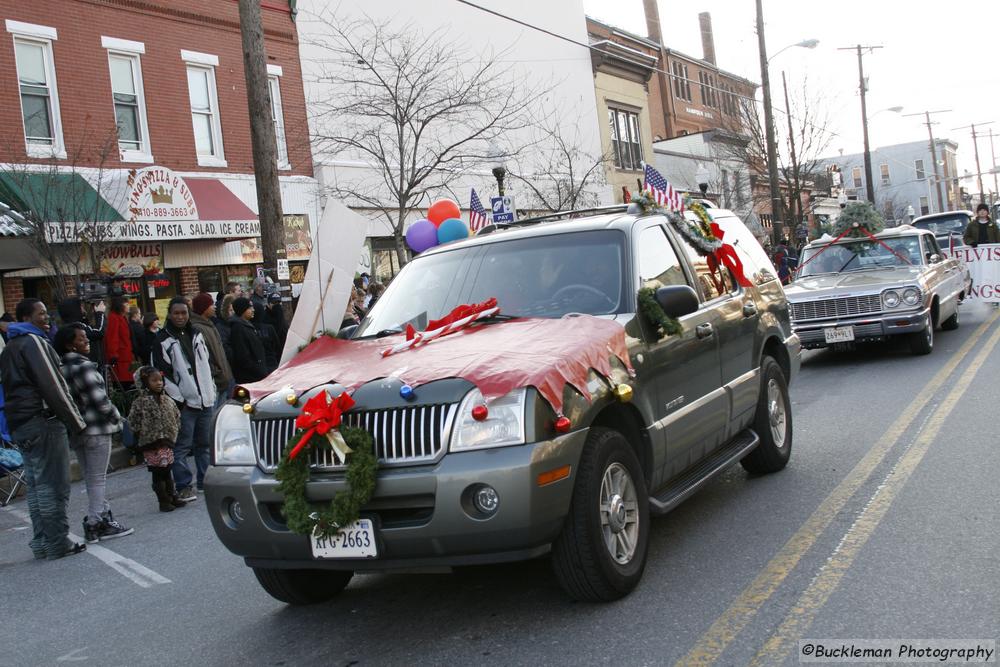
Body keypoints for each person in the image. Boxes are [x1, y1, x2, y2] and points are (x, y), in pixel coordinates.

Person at [0, 299, 88, 559]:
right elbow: (54, 387)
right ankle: (57, 542)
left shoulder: (10, 346)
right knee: (54, 485)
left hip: (21, 423)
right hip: (43, 421)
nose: (46, 317)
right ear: (26, 317)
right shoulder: (34, 342)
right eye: (41, 314)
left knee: (38, 485)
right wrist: (76, 422)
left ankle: (42, 542)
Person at [54, 324, 133, 543]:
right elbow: (100, 401)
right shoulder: (83, 367)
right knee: (98, 478)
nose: (87, 340)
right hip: (96, 428)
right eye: (81, 338)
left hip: (76, 429)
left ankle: (104, 518)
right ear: (70, 344)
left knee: (92, 477)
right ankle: (95, 522)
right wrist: (118, 418)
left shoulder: (60, 368)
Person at [152, 297, 217, 501]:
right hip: (185, 403)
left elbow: (206, 364)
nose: (180, 316)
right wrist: (180, 399)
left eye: (184, 313)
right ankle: (183, 485)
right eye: (176, 313)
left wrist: (211, 390)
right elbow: (163, 374)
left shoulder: (197, 334)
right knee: (181, 446)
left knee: (204, 444)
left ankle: (204, 481)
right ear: (169, 315)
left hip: (205, 398)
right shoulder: (162, 340)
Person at [128, 367, 185, 512]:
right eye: (154, 381)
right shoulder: (140, 402)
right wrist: (140, 434)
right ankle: (163, 500)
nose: (159, 383)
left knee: (167, 469)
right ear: (144, 383)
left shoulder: (167, 400)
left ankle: (173, 496)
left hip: (167, 440)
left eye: (160, 380)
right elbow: (133, 421)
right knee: (157, 472)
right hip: (151, 443)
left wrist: (175, 430)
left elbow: (176, 416)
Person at [190, 292, 234, 409]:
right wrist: (217, 374)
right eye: (211, 304)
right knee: (215, 417)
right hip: (215, 382)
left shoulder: (210, 324)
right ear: (203, 308)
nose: (214, 307)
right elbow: (204, 356)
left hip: (224, 378)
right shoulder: (198, 327)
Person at [56, 297, 107, 366]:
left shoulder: (64, 327)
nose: (83, 309)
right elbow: (98, 332)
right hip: (84, 364)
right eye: (81, 307)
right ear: (74, 310)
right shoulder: (77, 327)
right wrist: (100, 313)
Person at [229, 297, 269, 383]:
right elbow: (243, 356)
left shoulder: (247, 325)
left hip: (256, 374)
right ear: (242, 310)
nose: (253, 310)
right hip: (250, 377)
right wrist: (259, 371)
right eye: (250, 308)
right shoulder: (238, 328)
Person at [105, 296, 134, 389]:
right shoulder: (114, 318)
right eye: (126, 304)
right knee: (124, 385)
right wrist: (113, 354)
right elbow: (112, 337)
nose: (128, 306)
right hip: (120, 359)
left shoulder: (122, 318)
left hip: (126, 356)